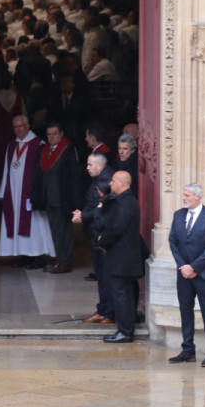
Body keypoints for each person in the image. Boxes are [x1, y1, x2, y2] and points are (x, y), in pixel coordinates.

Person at [168, 182, 205, 367]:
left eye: (188, 195)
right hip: (183, 274)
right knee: (185, 310)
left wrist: (194, 268)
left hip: (204, 274)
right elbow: (173, 242)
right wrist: (183, 266)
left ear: (198, 197)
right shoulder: (178, 215)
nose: (184, 198)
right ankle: (188, 350)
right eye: (184, 195)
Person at [0, 115, 54, 268]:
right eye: (15, 127)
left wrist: (38, 193)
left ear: (28, 126)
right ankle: (24, 255)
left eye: (21, 126)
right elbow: (7, 170)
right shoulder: (11, 146)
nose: (18, 129)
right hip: (14, 193)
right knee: (16, 223)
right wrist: (4, 190)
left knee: (34, 225)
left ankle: (37, 257)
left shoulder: (39, 144)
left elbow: (42, 171)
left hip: (30, 193)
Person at [97, 172, 143, 344]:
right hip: (124, 258)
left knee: (121, 295)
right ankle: (126, 328)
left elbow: (116, 228)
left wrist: (102, 240)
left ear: (122, 183)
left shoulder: (126, 202)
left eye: (113, 180)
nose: (110, 183)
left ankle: (125, 331)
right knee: (125, 294)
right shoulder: (125, 200)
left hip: (121, 259)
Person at [31, 122, 82, 273]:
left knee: (64, 231)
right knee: (54, 230)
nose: (52, 137)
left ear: (61, 134)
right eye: (49, 134)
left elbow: (74, 175)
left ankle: (65, 261)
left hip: (62, 197)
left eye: (54, 134)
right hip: (48, 196)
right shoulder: (44, 150)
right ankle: (59, 260)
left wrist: (75, 199)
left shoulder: (68, 149)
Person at [74, 154, 115, 324]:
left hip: (103, 236)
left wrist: (83, 216)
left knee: (106, 276)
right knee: (101, 275)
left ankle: (109, 312)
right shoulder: (98, 178)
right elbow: (92, 203)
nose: (87, 168)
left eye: (90, 165)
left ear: (100, 165)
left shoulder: (106, 181)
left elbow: (103, 207)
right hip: (95, 234)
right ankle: (103, 309)